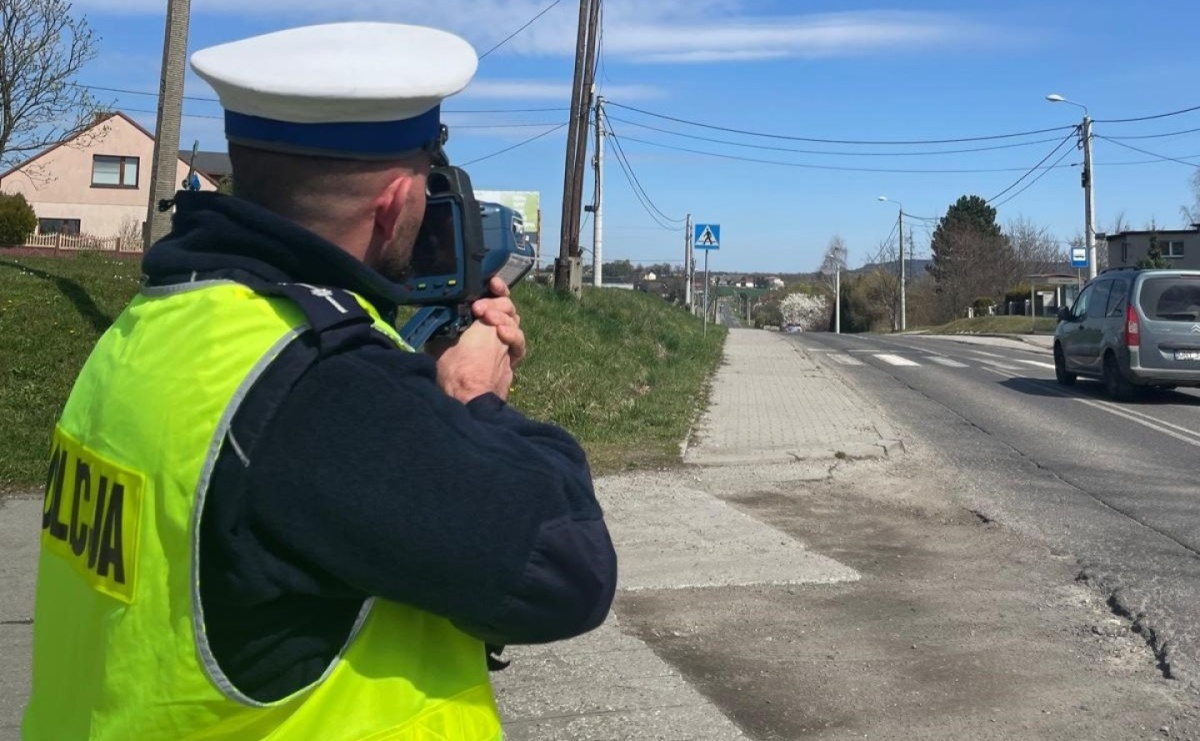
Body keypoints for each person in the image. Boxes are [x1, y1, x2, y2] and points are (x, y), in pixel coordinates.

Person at [23, 21, 617, 741]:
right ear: (398, 202)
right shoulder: (322, 387)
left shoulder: (155, 324)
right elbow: (566, 569)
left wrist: (411, 386)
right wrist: (474, 402)